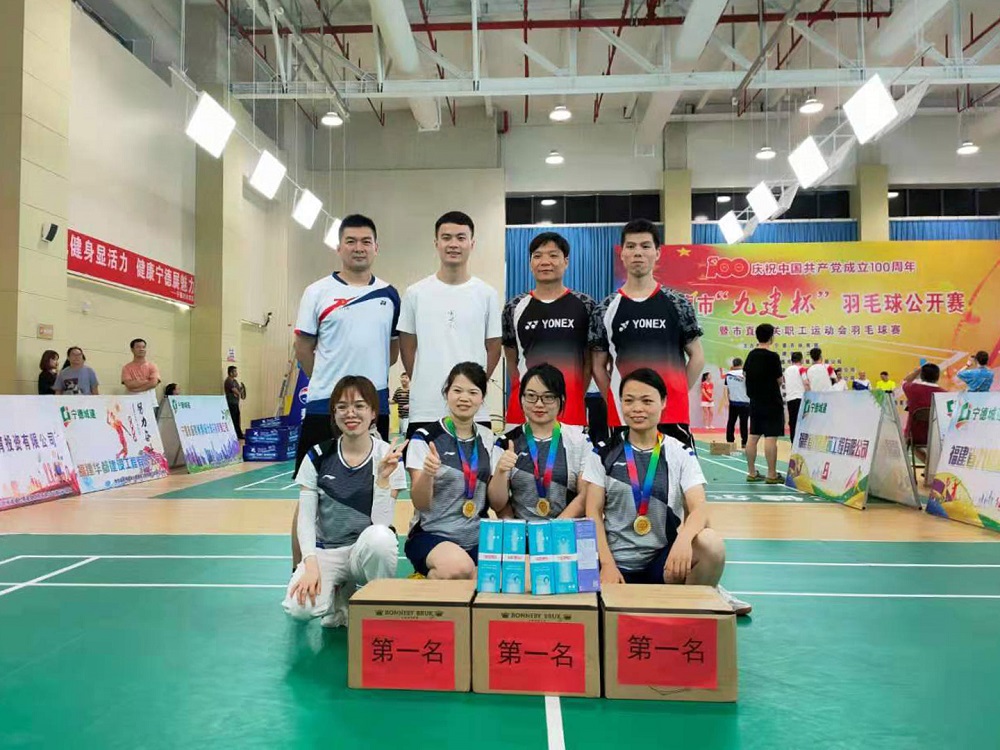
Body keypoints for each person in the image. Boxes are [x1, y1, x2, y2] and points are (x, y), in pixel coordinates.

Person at [583, 368, 750, 615]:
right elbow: (593, 513)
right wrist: (606, 564)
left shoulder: (680, 452)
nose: (637, 408)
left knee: (711, 544)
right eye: (629, 401)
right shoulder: (602, 452)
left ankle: (690, 611)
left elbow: (699, 508)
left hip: (663, 563)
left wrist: (683, 540)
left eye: (647, 401)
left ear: (663, 402)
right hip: (615, 565)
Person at [282, 375, 408, 627]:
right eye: (342, 407)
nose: (351, 413)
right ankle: (339, 596)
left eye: (359, 406)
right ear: (334, 413)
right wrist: (309, 563)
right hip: (327, 550)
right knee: (299, 608)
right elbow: (305, 518)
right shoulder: (317, 455)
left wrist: (383, 480)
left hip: (362, 550)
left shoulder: (387, 455)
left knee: (382, 539)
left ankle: (376, 604)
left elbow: (381, 523)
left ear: (373, 413)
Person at [293, 214, 401, 470]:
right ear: (339, 247)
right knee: (314, 483)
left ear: (376, 248)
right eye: (351, 241)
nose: (358, 248)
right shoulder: (316, 292)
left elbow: (392, 352)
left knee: (374, 481)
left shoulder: (389, 295)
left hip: (374, 405)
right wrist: (328, 381)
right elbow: (303, 348)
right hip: (324, 405)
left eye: (366, 241)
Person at [592, 219, 705, 449]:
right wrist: (617, 400)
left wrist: (675, 395)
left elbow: (697, 356)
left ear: (657, 253)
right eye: (631, 246)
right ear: (622, 253)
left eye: (645, 246)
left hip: (672, 415)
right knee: (624, 474)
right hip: (624, 417)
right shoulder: (605, 308)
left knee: (677, 473)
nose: (638, 253)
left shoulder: (678, 303)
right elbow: (597, 365)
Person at [398, 212, 502, 438]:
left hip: (474, 410)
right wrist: (424, 380)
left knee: (477, 463)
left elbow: (494, 347)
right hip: (425, 409)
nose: (453, 244)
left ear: (472, 243)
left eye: (461, 238)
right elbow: (407, 347)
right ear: (436, 243)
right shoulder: (415, 293)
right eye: (446, 238)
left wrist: (474, 386)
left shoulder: (487, 294)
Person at [404, 362, 495, 579]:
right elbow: (420, 503)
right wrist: (428, 474)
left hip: (477, 536)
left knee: (497, 575)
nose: (464, 398)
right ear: (446, 393)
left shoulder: (489, 439)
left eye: (473, 392)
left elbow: (496, 500)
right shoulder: (424, 438)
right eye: (457, 390)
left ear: (482, 398)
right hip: (431, 535)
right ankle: (426, 580)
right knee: (458, 569)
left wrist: (501, 473)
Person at [502, 231, 598, 428]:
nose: (545, 262)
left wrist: (574, 394)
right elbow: (511, 358)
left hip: (570, 407)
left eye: (553, 255)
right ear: (530, 263)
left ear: (566, 261)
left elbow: (589, 361)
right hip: (525, 407)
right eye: (537, 256)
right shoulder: (514, 306)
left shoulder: (586, 305)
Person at [488, 364, 593, 522]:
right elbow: (497, 505)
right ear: (521, 398)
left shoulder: (580, 440)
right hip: (522, 532)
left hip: (565, 530)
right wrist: (501, 471)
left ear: (561, 399)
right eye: (531, 396)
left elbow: (586, 495)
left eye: (548, 397)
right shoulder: (505, 442)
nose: (539, 404)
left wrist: (555, 528)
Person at [743, 324, 784, 484]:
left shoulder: (751, 355)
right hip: (772, 402)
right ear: (771, 337)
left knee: (753, 437)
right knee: (770, 438)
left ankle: (752, 473)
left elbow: (745, 374)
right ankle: (772, 474)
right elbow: (779, 380)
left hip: (755, 401)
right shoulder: (773, 357)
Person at [902, 363, 946, 481]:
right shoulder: (944, 394)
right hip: (935, 436)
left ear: (921, 375)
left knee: (911, 445)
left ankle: (929, 467)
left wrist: (918, 370)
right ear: (937, 376)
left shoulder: (912, 389)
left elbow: (905, 381)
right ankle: (932, 468)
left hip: (914, 434)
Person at [723, 358, 750, 449]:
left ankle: (730, 441)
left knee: (731, 422)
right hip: (745, 403)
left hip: (733, 402)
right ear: (741, 364)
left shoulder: (728, 375)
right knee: (744, 423)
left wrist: (726, 400)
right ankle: (744, 442)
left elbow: (726, 389)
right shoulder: (745, 374)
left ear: (733, 364)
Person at [784, 351, 807, 440]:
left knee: (792, 421)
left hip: (790, 399)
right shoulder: (801, 369)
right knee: (802, 421)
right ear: (801, 359)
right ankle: (800, 441)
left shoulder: (787, 370)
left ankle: (793, 441)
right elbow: (806, 383)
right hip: (800, 398)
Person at [224, 366, 246, 440]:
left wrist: (240, 391)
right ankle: (234, 435)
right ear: (231, 373)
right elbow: (236, 391)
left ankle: (239, 434)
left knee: (237, 419)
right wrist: (238, 392)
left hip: (236, 403)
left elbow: (239, 392)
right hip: (231, 403)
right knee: (233, 420)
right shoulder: (228, 381)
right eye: (235, 371)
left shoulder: (235, 381)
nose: (236, 373)